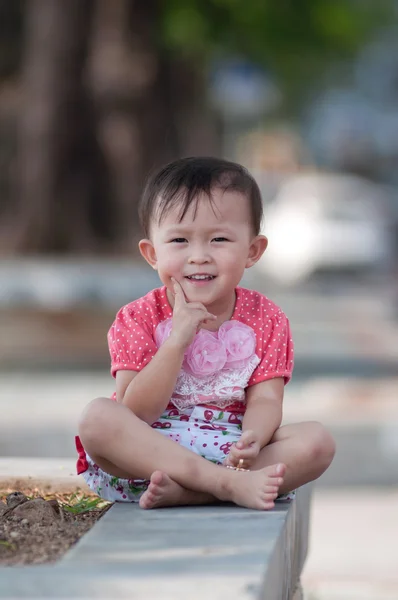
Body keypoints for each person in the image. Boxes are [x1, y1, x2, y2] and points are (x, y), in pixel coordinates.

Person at [76, 156, 335, 510]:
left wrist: (254, 439)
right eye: (179, 240)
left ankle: (195, 492)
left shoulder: (267, 317)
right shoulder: (137, 318)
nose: (199, 256)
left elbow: (266, 400)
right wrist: (177, 339)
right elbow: (136, 412)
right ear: (152, 253)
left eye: (219, 239)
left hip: (233, 452)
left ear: (252, 251)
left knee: (317, 441)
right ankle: (221, 485)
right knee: (97, 417)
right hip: (152, 456)